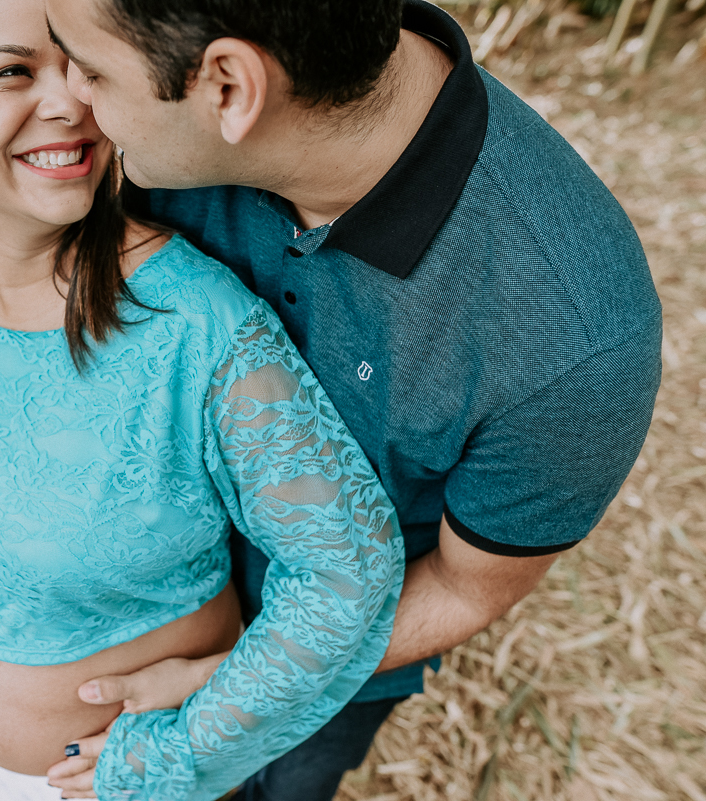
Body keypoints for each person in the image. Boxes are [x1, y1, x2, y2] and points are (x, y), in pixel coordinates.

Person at [39, 0, 663, 798]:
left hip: (319, 673)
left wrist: (240, 683)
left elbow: (466, 584)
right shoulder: (155, 141)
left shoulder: (577, 342)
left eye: (90, 72)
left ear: (229, 88)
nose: (70, 101)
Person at [0, 0, 404, 799]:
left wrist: (174, 756)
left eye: (80, 66)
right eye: (14, 71)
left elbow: (348, 574)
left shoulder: (195, 322)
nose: (71, 102)